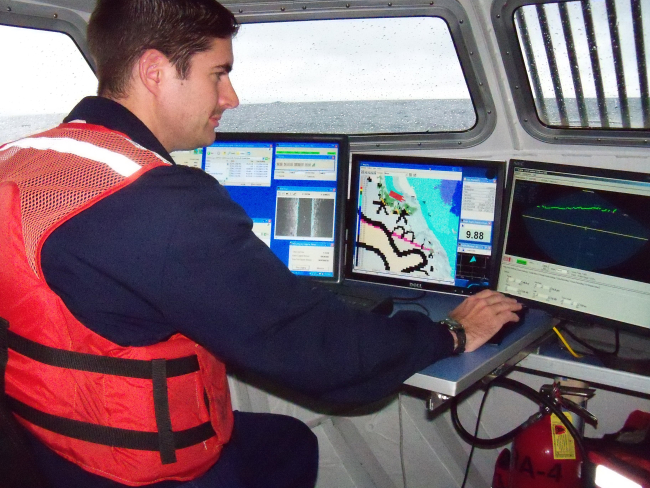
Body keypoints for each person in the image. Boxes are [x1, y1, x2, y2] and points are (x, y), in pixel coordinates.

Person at [0, 0, 522, 486]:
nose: (231, 97)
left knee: (288, 442)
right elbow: (329, 357)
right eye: (218, 73)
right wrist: (450, 332)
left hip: (51, 441)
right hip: (140, 469)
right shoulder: (158, 201)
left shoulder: (24, 159)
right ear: (155, 71)